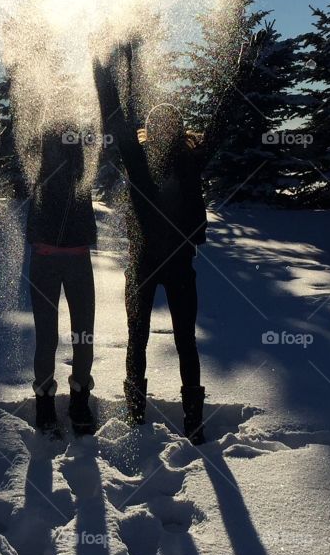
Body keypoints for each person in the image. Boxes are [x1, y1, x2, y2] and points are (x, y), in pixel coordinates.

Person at [93, 40, 244, 445]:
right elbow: (116, 117)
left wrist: (245, 62)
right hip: (150, 263)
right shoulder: (145, 159)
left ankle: (175, 418)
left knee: (174, 340)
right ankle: (143, 414)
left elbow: (221, 120)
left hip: (170, 264)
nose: (161, 129)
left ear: (175, 131)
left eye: (167, 124)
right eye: (157, 124)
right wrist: (99, 65)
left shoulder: (185, 161)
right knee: (148, 337)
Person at [18, 111, 100, 437]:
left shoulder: (81, 165)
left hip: (70, 257)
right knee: (52, 337)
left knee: (79, 336)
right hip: (51, 259)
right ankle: (48, 402)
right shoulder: (40, 165)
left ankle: (75, 400)